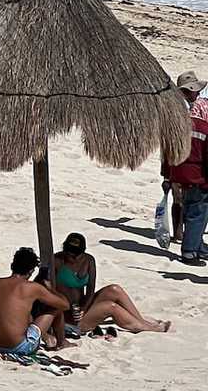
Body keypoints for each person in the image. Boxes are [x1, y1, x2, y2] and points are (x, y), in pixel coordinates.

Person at [51, 233, 170, 333]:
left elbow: (90, 289)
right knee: (110, 307)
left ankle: (141, 321)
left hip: (81, 307)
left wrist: (84, 308)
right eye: (70, 253)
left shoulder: (88, 260)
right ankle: (143, 327)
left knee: (115, 289)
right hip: (67, 316)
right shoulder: (57, 261)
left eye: (76, 254)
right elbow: (49, 291)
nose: (73, 257)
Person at [0, 247, 70, 355]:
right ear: (31, 270)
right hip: (19, 347)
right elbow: (65, 305)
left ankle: (48, 337)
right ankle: (62, 342)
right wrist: (50, 288)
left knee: (26, 314)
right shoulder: (31, 287)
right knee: (56, 308)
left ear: (12, 266)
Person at [168, 71, 208, 266]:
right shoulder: (201, 124)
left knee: (190, 208)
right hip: (196, 175)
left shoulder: (179, 119)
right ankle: (190, 251)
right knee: (197, 212)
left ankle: (197, 245)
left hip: (178, 170)